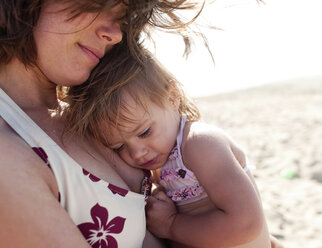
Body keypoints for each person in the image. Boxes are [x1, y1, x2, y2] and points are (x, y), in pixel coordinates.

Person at [0, 0, 206, 247]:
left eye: (121, 19)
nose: (116, 34)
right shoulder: (8, 145)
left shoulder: (93, 117)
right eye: (97, 5)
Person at [64, 50, 279, 248]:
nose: (137, 152)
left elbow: (247, 224)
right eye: (119, 146)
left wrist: (171, 225)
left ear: (172, 97)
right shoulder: (164, 156)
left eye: (145, 132)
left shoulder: (200, 144)